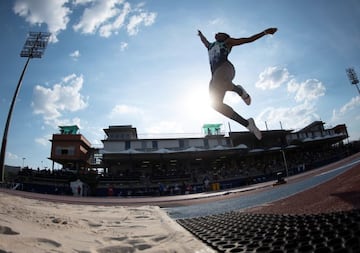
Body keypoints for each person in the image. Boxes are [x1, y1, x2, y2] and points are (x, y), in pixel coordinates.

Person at [197, 28, 278, 140]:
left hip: (226, 68)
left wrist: (264, 33)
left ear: (224, 36)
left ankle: (239, 91)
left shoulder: (228, 42)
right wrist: (200, 35)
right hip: (216, 77)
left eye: (220, 33)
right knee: (215, 104)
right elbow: (204, 41)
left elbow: (247, 40)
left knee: (217, 79)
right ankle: (247, 124)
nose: (216, 33)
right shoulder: (210, 46)